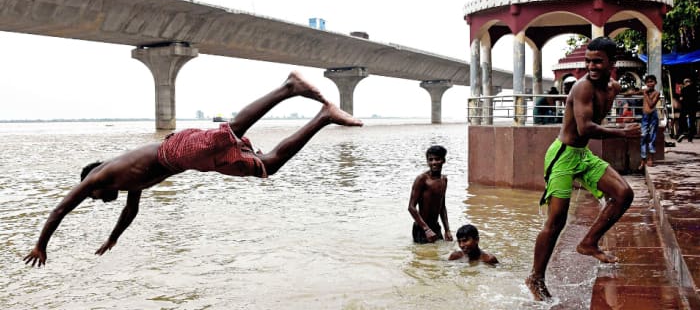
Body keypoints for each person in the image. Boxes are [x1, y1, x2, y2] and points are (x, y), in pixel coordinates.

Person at [23, 71, 363, 268]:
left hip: (177, 149)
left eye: (94, 198)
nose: (97, 200)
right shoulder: (128, 185)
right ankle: (323, 117)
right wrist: (113, 238)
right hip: (195, 164)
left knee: (227, 131)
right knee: (266, 166)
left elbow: (61, 209)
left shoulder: (101, 176)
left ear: (93, 181)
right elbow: (131, 210)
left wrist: (41, 245)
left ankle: (288, 88)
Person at [525, 37, 641, 301]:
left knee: (624, 194)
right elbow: (584, 128)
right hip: (563, 155)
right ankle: (535, 277)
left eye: (598, 61)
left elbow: (601, 114)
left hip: (582, 154)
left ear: (611, 63)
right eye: (588, 60)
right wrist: (622, 132)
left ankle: (588, 242)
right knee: (556, 222)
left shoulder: (614, 87)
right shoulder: (582, 88)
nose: (592, 66)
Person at [408, 145, 453, 244]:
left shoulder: (444, 179)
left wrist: (447, 230)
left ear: (443, 160)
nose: (433, 162)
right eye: (430, 159)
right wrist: (426, 229)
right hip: (421, 228)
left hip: (436, 227)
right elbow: (411, 207)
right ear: (427, 162)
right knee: (422, 256)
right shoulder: (422, 179)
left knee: (439, 255)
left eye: (437, 159)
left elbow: (442, 207)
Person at [638, 75, 660, 169]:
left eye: (652, 81)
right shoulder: (644, 91)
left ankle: (650, 159)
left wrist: (645, 94)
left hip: (653, 116)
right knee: (643, 137)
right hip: (645, 117)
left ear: (655, 83)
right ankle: (643, 160)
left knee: (652, 137)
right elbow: (632, 92)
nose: (650, 83)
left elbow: (651, 105)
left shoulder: (656, 93)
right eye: (648, 82)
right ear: (645, 83)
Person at [677, 77, 697, 143]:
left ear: (685, 83)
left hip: (685, 106)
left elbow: (681, 98)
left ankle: (683, 132)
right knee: (692, 121)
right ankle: (690, 137)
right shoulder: (694, 89)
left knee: (682, 119)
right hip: (693, 106)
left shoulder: (683, 89)